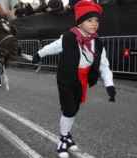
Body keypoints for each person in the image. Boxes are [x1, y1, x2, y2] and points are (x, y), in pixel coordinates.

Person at [32, 1, 116, 158]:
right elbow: (53, 47)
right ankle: (63, 140)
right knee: (69, 109)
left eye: (96, 20)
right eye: (89, 20)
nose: (94, 24)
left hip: (83, 78)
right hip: (66, 77)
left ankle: (67, 136)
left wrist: (109, 84)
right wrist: (39, 54)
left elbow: (104, 65)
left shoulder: (97, 42)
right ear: (80, 21)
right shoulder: (69, 37)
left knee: (74, 108)